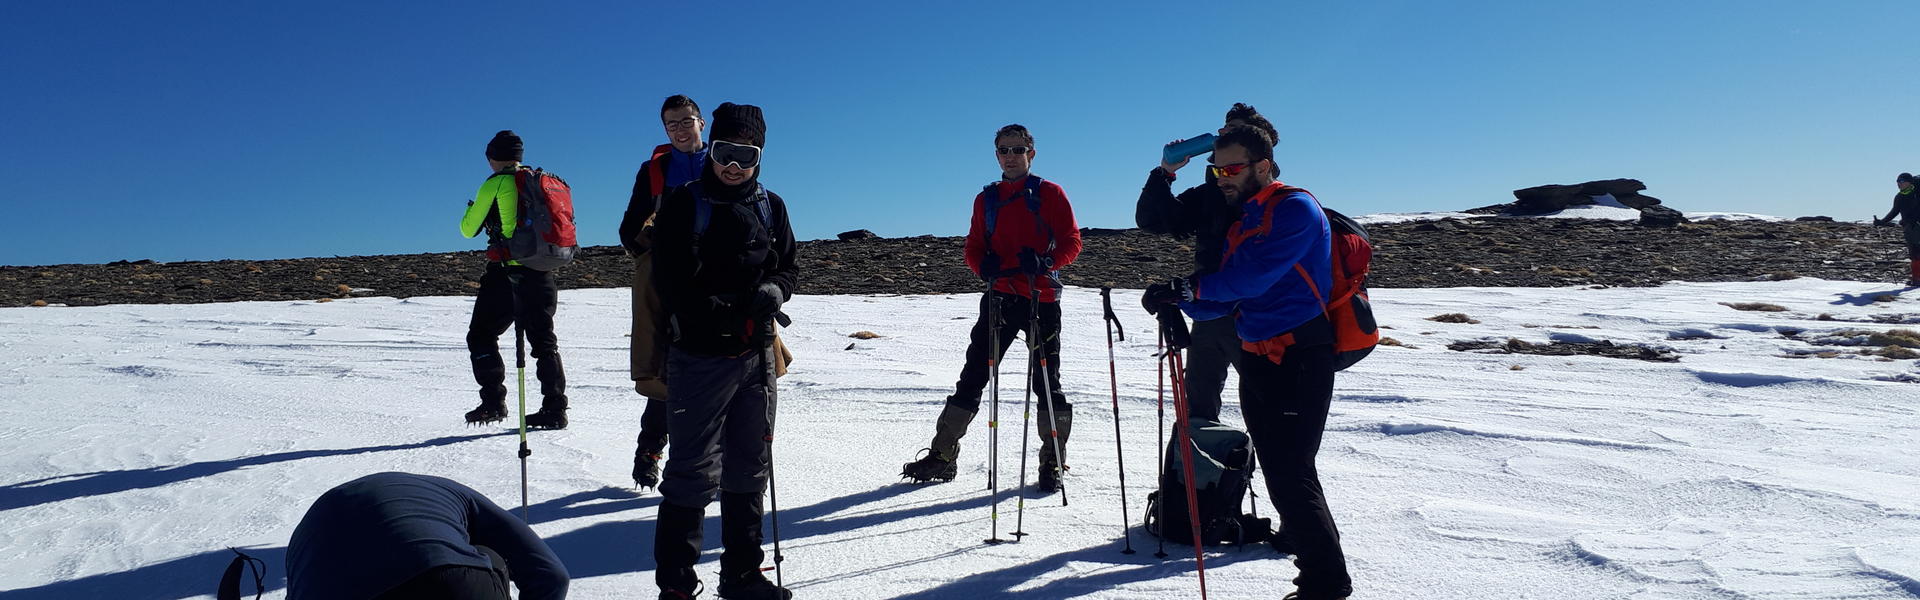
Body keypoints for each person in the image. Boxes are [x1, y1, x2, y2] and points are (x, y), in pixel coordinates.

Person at [1144, 125, 1351, 600]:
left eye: (1232, 168)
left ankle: (1326, 584)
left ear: (1263, 166)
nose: (1221, 177)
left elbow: (1251, 278)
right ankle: (1316, 570)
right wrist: (1179, 301)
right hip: (1258, 356)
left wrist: (1189, 290)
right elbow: (1228, 296)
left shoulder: (1295, 208)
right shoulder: (1245, 217)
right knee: (1286, 470)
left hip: (1298, 355)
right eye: (1217, 168)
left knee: (1291, 472)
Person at [647, 103, 797, 600]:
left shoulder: (770, 206)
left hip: (755, 359)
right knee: (692, 472)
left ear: (760, 156)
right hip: (699, 357)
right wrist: (729, 313)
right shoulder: (685, 203)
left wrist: (774, 292)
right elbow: (672, 282)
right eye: (724, 152)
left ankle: (742, 575)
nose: (733, 165)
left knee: (750, 466)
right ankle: (676, 587)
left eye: (745, 155)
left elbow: (788, 268)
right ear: (711, 149)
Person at [900, 124, 1083, 492]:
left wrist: (1047, 262)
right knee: (972, 378)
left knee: (1048, 383)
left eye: (1018, 149)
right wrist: (980, 266)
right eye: (1004, 150)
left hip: (1040, 298)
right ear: (996, 154)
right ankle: (943, 455)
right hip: (999, 298)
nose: (1011, 156)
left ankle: (1053, 460)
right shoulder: (986, 200)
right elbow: (973, 245)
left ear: (1031, 152)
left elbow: (1072, 241)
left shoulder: (1051, 193)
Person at [1135, 103, 1281, 422]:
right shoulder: (1208, 194)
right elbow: (1151, 220)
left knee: (1269, 408)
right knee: (1199, 404)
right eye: (1222, 132)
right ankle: (1204, 469)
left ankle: (1268, 466)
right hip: (1210, 312)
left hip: (1257, 317)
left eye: (1232, 133)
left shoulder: (1276, 202)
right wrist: (1165, 172)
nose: (1221, 138)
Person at [285, 472, 568, 600]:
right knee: (488, 555)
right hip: (448, 581)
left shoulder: (308, 538)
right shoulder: (460, 498)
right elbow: (551, 576)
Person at [460, 130, 568, 429]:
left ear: (492, 156)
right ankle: (555, 408)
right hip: (542, 270)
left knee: (481, 335)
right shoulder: (540, 181)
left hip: (506, 273)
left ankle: (493, 402)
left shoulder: (495, 184)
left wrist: (473, 208)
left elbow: (468, 229)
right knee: (545, 343)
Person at [1874, 172, 1920, 286]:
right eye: (1898, 182)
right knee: (1914, 254)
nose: (1899, 184)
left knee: (1918, 253)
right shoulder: (1899, 197)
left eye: (1902, 181)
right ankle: (1916, 279)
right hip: (1909, 228)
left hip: (1917, 226)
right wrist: (1882, 222)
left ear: (1909, 182)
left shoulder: (1917, 193)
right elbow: (1894, 212)